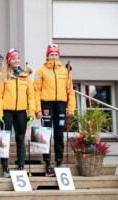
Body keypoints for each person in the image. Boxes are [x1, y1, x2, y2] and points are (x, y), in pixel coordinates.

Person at [33, 44, 76, 176]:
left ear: (59, 56)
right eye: (51, 54)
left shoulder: (65, 71)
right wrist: (37, 109)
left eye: (56, 54)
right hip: (46, 105)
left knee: (58, 134)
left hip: (61, 106)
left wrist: (71, 108)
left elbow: (71, 92)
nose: (54, 56)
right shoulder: (40, 71)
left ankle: (59, 161)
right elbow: (36, 91)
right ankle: (47, 162)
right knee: (46, 134)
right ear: (47, 56)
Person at [0, 49, 35, 178]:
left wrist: (31, 112)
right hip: (6, 112)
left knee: (20, 139)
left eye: (18, 58)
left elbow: (31, 96)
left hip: (21, 112)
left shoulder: (25, 76)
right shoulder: (2, 76)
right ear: (9, 61)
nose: (17, 61)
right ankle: (5, 167)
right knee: (4, 139)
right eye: (14, 59)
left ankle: (21, 165)